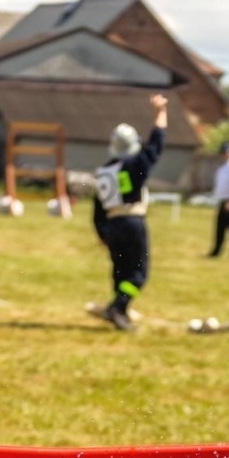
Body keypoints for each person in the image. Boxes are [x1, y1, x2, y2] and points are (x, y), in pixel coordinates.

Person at [92, 93, 168, 332]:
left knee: (119, 271)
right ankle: (117, 306)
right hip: (132, 221)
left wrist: (102, 234)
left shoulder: (103, 171)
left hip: (112, 225)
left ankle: (120, 312)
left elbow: (97, 209)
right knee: (138, 274)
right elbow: (156, 142)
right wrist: (160, 113)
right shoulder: (135, 165)